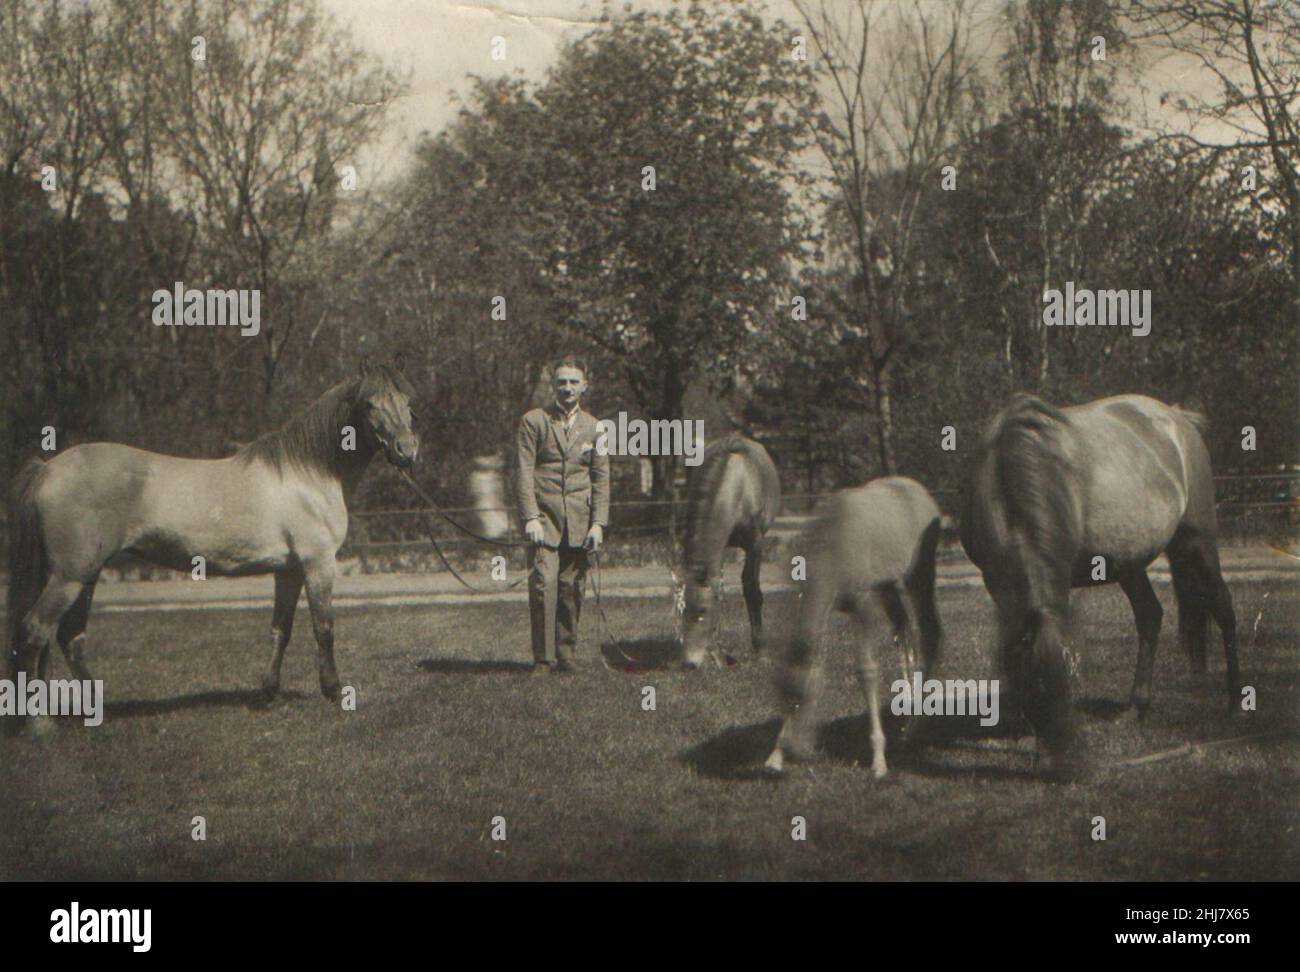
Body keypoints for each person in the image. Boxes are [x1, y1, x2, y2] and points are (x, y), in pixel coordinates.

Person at [514, 359, 610, 673]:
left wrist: (598, 523)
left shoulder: (596, 428)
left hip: (580, 523)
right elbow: (524, 472)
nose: (567, 388)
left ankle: (565, 655)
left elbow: (600, 478)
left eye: (573, 382)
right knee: (544, 586)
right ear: (553, 386)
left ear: (584, 386)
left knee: (572, 589)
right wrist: (530, 517)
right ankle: (544, 659)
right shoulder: (534, 421)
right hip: (544, 521)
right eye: (561, 382)